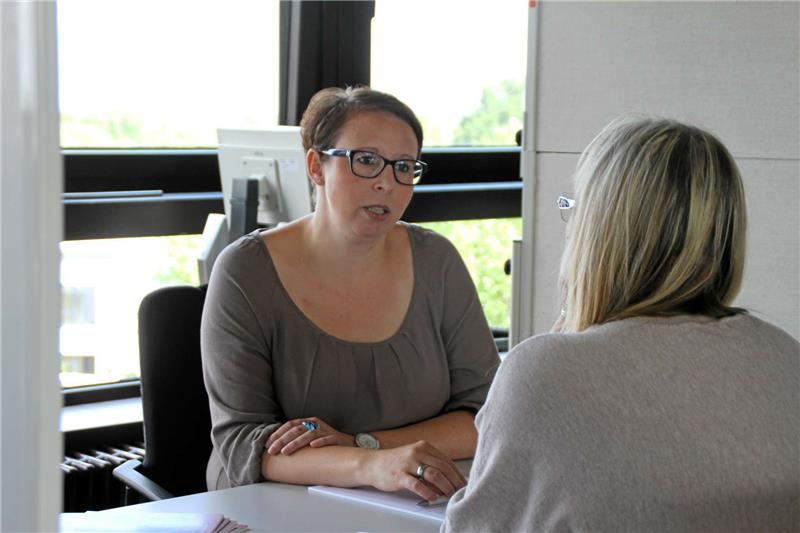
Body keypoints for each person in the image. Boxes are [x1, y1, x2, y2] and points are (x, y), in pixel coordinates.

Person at [443, 117, 800, 531]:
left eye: (573, 209)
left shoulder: (546, 374)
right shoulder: (785, 356)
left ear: (598, 231)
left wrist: (562, 358)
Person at [200, 86, 500, 502]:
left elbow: (486, 416)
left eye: (403, 167)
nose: (386, 184)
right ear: (316, 166)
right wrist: (372, 465)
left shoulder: (437, 261)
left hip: (409, 498)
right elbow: (242, 444)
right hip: (273, 504)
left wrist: (363, 443)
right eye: (366, 161)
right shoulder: (244, 270)